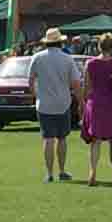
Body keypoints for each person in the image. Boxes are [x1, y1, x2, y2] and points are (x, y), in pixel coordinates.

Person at [26, 27, 81, 183]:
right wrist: (81, 101)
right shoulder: (67, 59)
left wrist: (36, 96)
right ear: (60, 42)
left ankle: (49, 173)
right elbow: (76, 83)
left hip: (44, 104)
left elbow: (30, 81)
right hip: (63, 103)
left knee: (48, 138)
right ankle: (62, 171)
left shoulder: (37, 58)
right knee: (62, 138)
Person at [78, 34, 112, 185]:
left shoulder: (90, 63)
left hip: (94, 103)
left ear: (98, 46)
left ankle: (92, 173)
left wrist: (84, 105)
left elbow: (86, 87)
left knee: (95, 141)